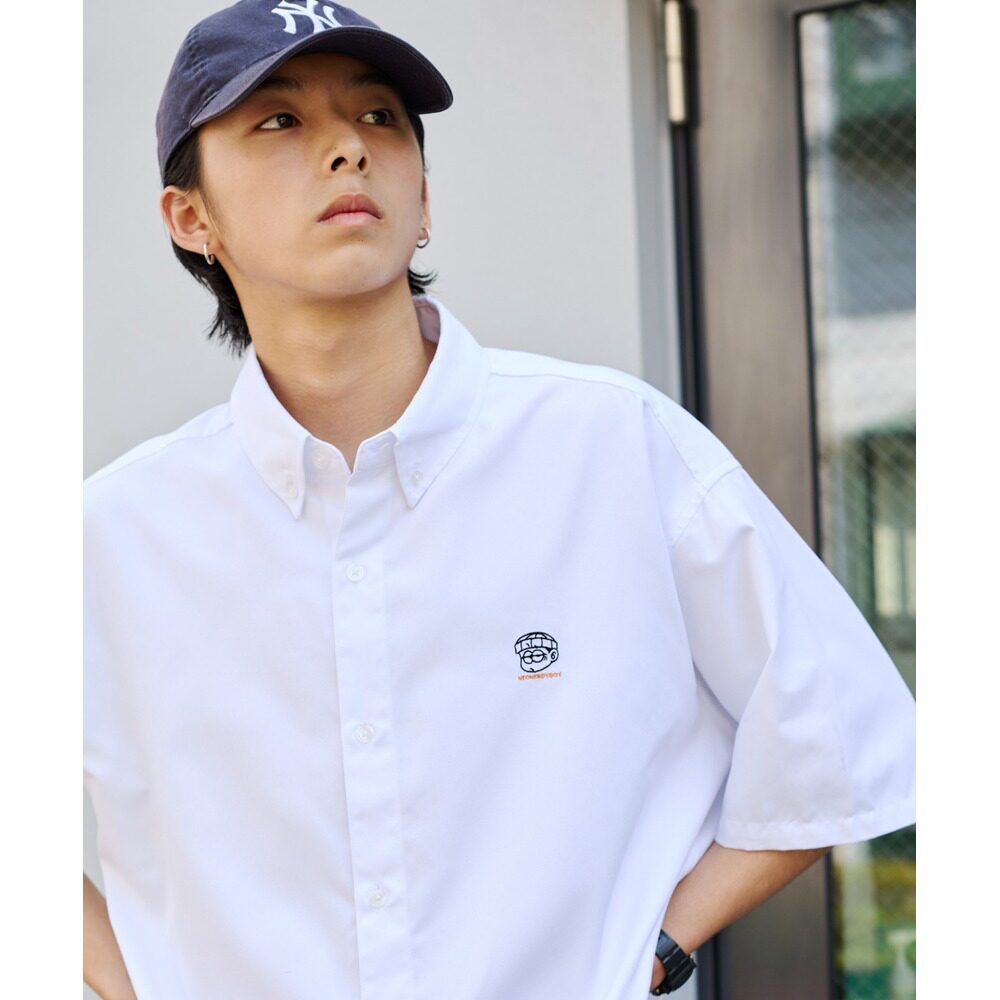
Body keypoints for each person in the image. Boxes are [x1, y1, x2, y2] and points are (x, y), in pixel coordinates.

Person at [82, 2, 917, 998]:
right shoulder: (112, 537)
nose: (349, 148)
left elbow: (836, 733)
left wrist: (655, 951)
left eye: (379, 117)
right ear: (191, 218)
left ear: (423, 200)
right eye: (280, 121)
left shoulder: (614, 447)